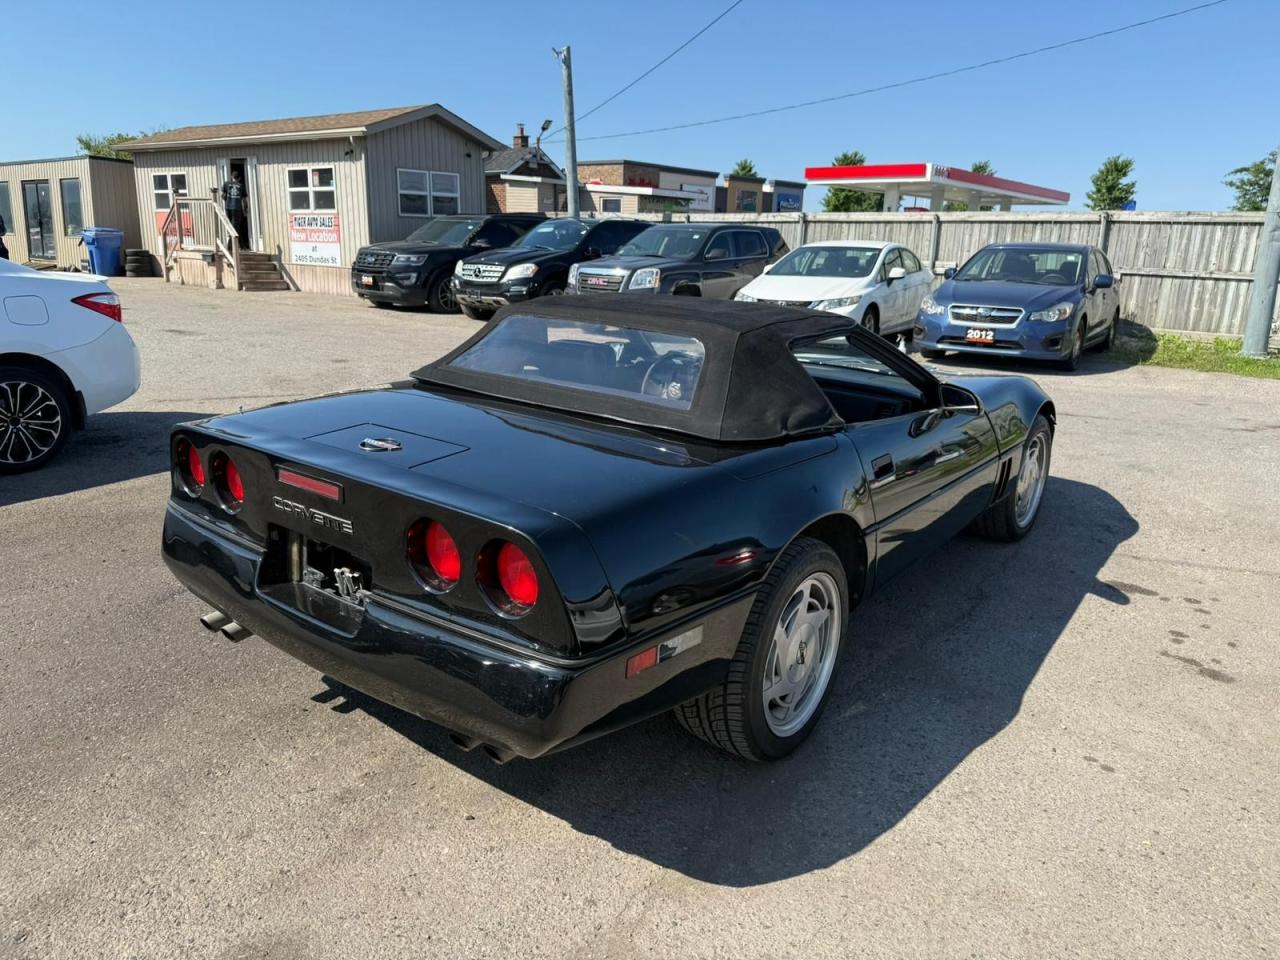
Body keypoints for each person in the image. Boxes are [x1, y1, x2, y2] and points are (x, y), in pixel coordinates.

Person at [220, 170, 249, 248]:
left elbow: (222, 195)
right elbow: (244, 200)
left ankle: (240, 245)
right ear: (239, 178)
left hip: (228, 208)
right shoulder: (241, 186)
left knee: (231, 226)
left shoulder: (226, 184)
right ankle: (231, 246)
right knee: (235, 227)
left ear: (231, 177)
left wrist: (228, 200)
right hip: (237, 208)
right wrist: (245, 209)